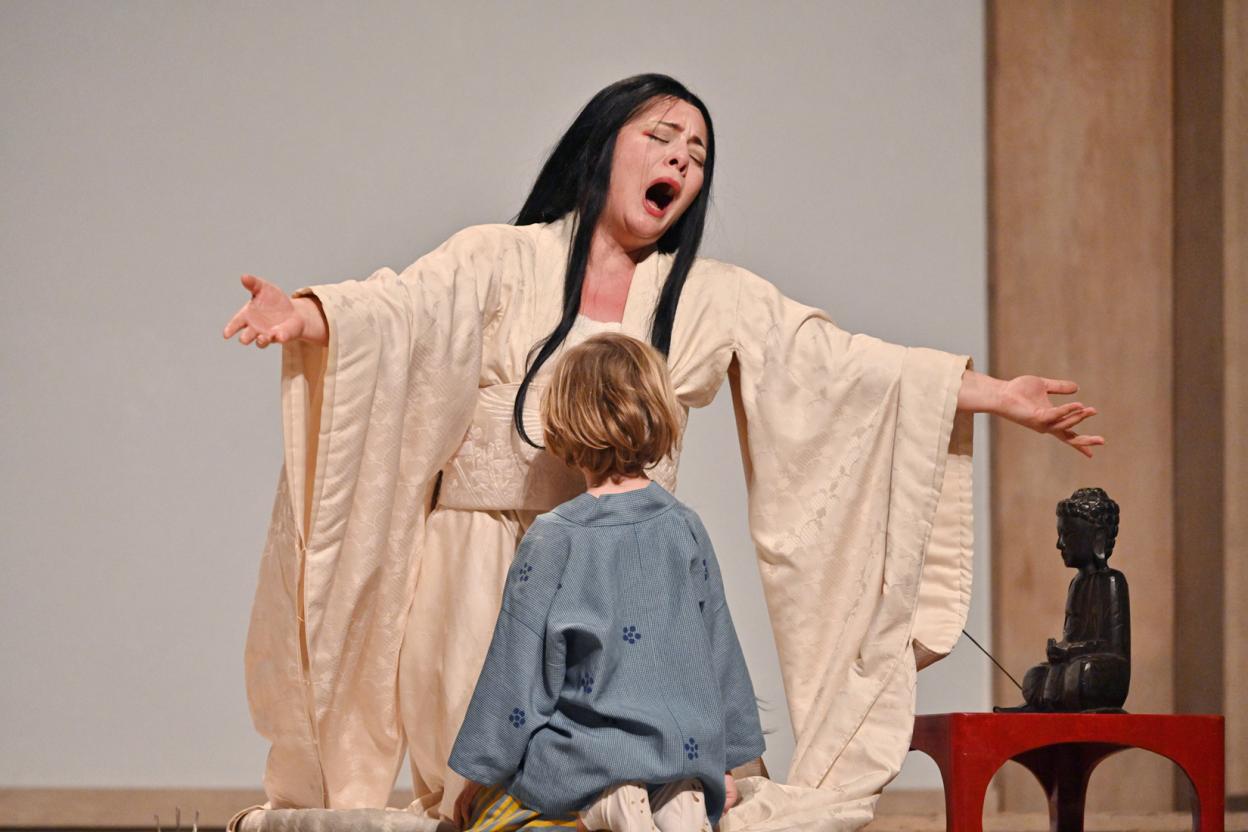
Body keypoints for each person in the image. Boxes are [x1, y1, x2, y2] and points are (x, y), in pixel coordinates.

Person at [223, 74, 1103, 830]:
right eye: (663, 137)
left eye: (699, 155)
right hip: (479, 568)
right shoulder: (497, 259)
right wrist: (308, 315)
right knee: (484, 779)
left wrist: (990, 393)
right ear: (604, 146)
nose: (682, 160)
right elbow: (402, 310)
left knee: (627, 772)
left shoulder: (706, 295)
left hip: (627, 583)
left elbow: (835, 364)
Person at [446, 333, 765, 832]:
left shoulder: (555, 538)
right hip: (682, 750)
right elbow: (718, 646)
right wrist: (725, 762)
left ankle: (609, 803)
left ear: (565, 422)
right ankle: (677, 799)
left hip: (587, 758)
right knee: (678, 780)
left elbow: (517, 674)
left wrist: (477, 775)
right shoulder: (685, 526)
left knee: (489, 821)